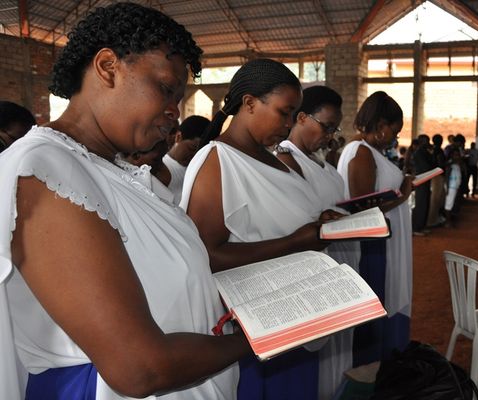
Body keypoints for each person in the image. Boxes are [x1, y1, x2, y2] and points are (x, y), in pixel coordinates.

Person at [0, 3, 251, 399]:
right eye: (166, 89)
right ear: (107, 67)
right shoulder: (43, 169)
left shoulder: (119, 171)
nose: (175, 111)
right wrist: (263, 335)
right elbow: (138, 367)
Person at [180, 59, 339, 400]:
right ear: (249, 103)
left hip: (297, 310)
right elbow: (207, 255)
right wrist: (296, 241)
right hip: (258, 321)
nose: (288, 123)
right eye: (284, 112)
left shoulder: (269, 157)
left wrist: (317, 221)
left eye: (294, 113)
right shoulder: (218, 161)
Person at [276, 85, 360, 400]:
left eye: (334, 129)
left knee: (337, 353)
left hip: (339, 265)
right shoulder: (285, 157)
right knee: (316, 362)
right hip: (314, 272)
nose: (330, 135)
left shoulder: (318, 159)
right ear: (300, 118)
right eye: (326, 126)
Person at [337, 91, 413, 366]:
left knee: (386, 300)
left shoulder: (370, 151)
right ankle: (373, 368)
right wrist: (402, 196)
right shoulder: (361, 153)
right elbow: (362, 211)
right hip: (373, 245)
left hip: (385, 240)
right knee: (379, 303)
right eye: (394, 131)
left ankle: (384, 364)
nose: (395, 138)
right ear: (380, 125)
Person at [163, 115, 212, 204]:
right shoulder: (161, 169)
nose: (194, 156)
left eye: (200, 153)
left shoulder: (199, 170)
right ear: (178, 137)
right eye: (192, 148)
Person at [412, 134, 434, 235]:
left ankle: (422, 226)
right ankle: (416, 228)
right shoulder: (418, 153)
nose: (428, 143)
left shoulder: (425, 152)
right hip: (421, 180)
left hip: (426, 180)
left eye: (428, 141)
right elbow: (426, 167)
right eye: (425, 141)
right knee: (420, 203)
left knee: (425, 203)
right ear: (420, 142)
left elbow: (433, 163)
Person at [427, 134, 446, 227]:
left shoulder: (432, 150)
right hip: (438, 176)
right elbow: (440, 164)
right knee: (435, 199)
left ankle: (433, 219)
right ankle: (432, 221)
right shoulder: (439, 151)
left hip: (433, 175)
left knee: (435, 199)